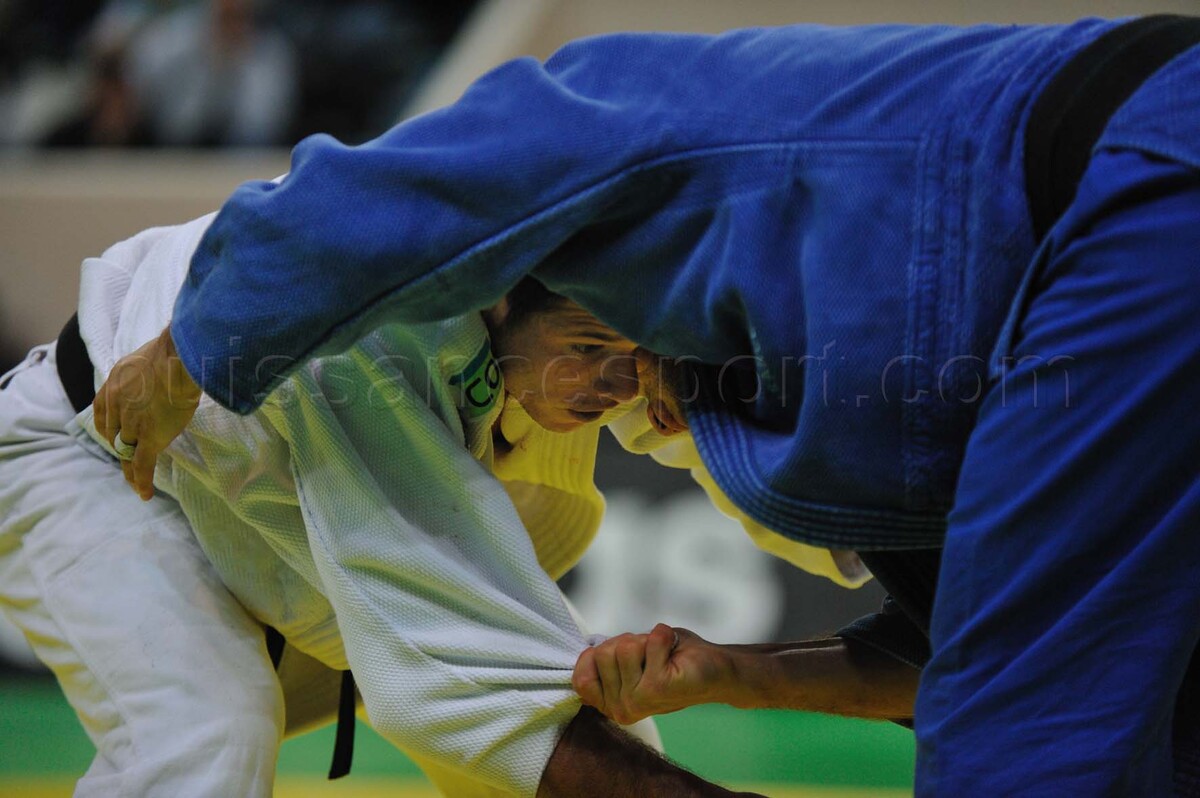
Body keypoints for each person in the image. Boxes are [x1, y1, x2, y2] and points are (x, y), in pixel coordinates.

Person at [94, 15, 1200, 796]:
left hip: (1136, 179)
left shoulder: (650, 133)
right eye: (599, 364)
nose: (624, 393)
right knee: (1153, 718)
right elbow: (962, 647)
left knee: (1032, 746)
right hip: (1134, 175)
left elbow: (377, 184)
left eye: (625, 362)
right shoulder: (843, 322)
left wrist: (193, 347)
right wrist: (737, 674)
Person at [0, 210, 776, 796]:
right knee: (205, 735)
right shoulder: (380, 340)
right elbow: (456, 667)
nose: (614, 383)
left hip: (260, 518)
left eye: (634, 356)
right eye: (588, 349)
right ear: (501, 298)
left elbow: (740, 459)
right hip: (96, 458)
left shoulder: (589, 321)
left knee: (588, 719)